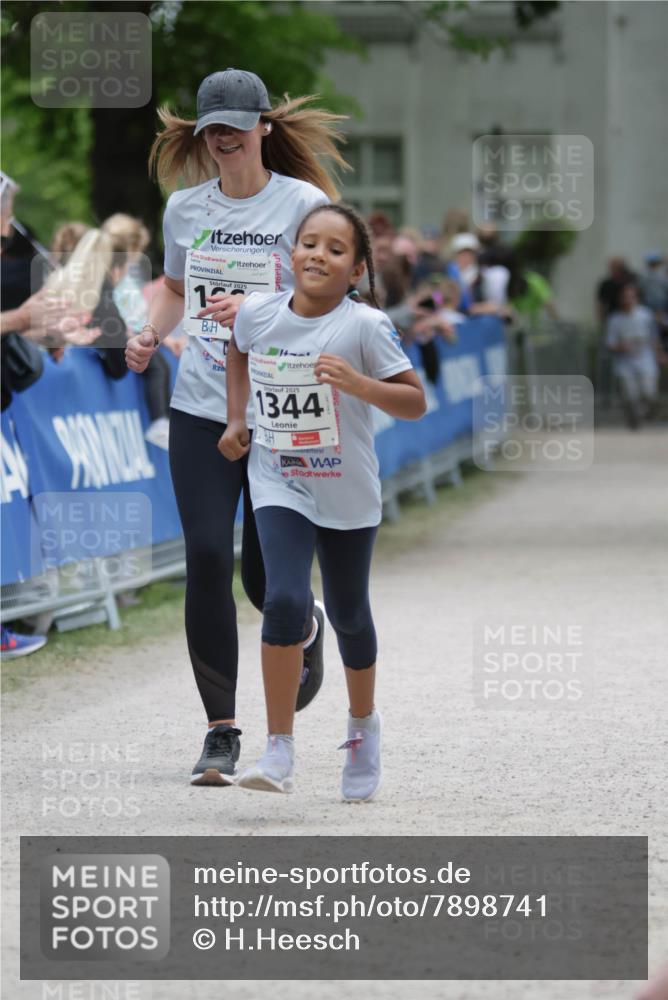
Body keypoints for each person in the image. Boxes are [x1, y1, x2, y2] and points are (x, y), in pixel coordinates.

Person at [125, 68, 347, 785]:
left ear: (264, 128)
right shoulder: (187, 207)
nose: (220, 138)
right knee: (204, 559)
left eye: (233, 125)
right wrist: (150, 334)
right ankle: (220, 732)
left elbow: (326, 294)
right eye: (209, 127)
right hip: (199, 405)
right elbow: (175, 288)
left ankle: (301, 619)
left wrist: (256, 312)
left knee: (262, 580)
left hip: (277, 407)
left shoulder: (303, 203)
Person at [220, 203, 426, 799]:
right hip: (280, 478)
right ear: (291, 254)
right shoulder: (260, 312)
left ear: (356, 267)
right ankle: (278, 747)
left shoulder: (364, 325)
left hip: (346, 487)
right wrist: (238, 418)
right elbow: (237, 346)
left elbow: (414, 401)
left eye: (335, 249)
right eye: (309, 243)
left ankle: (362, 729)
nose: (318, 255)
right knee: (283, 599)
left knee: (349, 613)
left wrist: (360, 384)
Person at [606, 282, 665, 429]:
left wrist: (660, 354)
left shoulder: (645, 315)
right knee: (629, 393)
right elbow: (610, 342)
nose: (628, 300)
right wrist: (621, 347)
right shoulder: (615, 320)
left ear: (636, 298)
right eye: (625, 297)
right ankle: (633, 419)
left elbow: (654, 338)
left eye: (631, 297)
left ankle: (646, 412)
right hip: (625, 361)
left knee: (649, 391)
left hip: (645, 358)